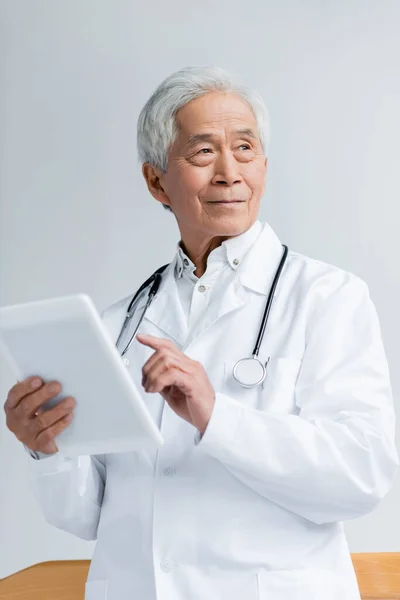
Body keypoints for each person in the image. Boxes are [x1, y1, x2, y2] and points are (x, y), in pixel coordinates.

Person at [4, 66, 398, 600]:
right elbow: (86, 515)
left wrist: (217, 415)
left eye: (245, 148)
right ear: (155, 181)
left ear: (264, 165)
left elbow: (361, 476)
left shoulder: (328, 297)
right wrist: (48, 449)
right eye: (203, 153)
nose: (230, 172)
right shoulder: (116, 325)